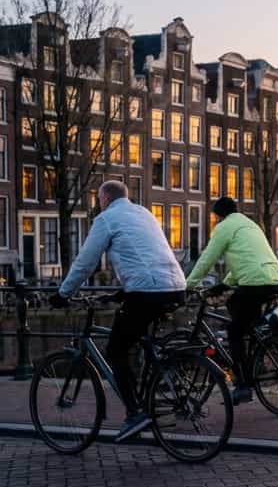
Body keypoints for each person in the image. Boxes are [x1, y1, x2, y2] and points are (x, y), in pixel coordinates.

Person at [50, 180, 186, 441]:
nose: (98, 204)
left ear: (105, 198)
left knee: (115, 350)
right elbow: (147, 255)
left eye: (98, 199)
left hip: (147, 291)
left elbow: (85, 262)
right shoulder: (144, 213)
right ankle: (152, 392)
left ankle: (135, 414)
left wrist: (63, 294)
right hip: (176, 286)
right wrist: (122, 292)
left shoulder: (106, 219)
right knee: (138, 338)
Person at [185, 196, 278, 404]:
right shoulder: (251, 225)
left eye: (216, 217)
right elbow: (247, 259)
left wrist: (189, 285)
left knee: (234, 331)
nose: (217, 220)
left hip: (255, 283)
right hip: (275, 278)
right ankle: (255, 357)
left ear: (219, 215)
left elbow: (207, 259)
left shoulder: (224, 227)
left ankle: (243, 385)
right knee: (236, 308)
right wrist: (225, 284)